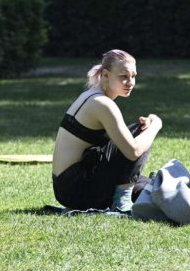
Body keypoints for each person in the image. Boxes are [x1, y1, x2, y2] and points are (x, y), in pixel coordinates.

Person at [52, 50, 161, 212]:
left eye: (133, 76)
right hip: (76, 189)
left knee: (147, 187)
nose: (130, 82)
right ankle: (122, 201)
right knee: (140, 131)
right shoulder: (102, 104)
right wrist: (155, 125)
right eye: (123, 76)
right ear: (105, 75)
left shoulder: (91, 95)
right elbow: (133, 151)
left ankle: (141, 190)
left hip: (69, 187)